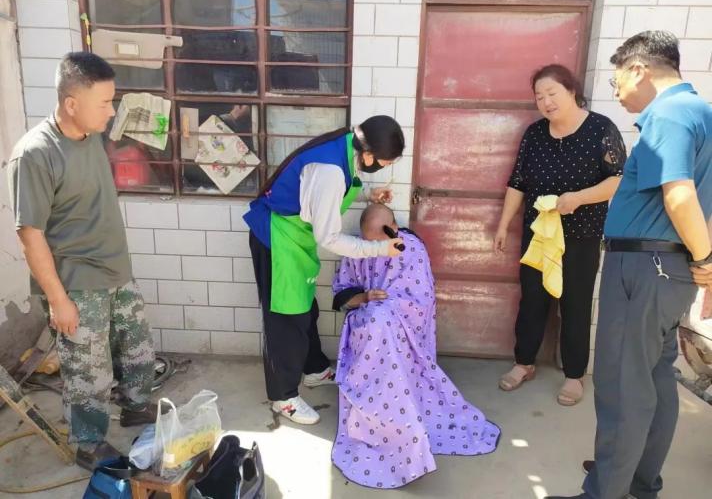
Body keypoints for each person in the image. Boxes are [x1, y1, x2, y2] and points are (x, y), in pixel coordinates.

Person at [546, 32, 712, 499]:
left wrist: (706, 258)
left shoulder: (669, 114)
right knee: (655, 378)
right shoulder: (702, 113)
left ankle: (606, 490)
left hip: (644, 266)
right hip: (668, 269)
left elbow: (679, 194)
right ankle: (636, 478)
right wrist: (702, 258)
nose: (617, 92)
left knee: (623, 385)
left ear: (639, 69)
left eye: (616, 80)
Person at [7, 52, 158, 470]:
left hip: (116, 270)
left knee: (136, 349)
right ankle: (89, 443)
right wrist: (58, 301)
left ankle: (136, 407)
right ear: (71, 103)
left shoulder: (91, 136)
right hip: (76, 282)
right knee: (88, 372)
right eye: (104, 103)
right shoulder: (35, 154)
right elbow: (30, 234)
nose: (111, 112)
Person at [243, 116, 405, 425]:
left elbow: (318, 197)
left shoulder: (346, 146)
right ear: (368, 155)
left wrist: (367, 195)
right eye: (385, 162)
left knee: (305, 308)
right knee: (286, 319)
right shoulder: (330, 170)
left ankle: (314, 369)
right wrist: (380, 248)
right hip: (277, 239)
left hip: (295, 239)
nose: (384, 166)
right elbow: (330, 238)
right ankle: (283, 397)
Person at [331, 204, 500, 488]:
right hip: (369, 323)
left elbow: (421, 300)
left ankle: (403, 426)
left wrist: (388, 310)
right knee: (377, 322)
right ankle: (377, 418)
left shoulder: (412, 249)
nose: (374, 249)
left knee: (383, 323)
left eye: (378, 242)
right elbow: (343, 294)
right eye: (368, 242)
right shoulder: (357, 248)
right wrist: (366, 298)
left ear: (393, 229)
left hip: (402, 327)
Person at [495, 64, 627, 405]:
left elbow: (618, 179)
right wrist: (504, 224)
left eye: (552, 93)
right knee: (532, 300)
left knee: (575, 305)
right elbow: (517, 182)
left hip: (581, 237)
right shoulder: (535, 134)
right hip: (539, 234)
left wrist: (579, 198)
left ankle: (574, 375)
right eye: (539, 97)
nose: (546, 102)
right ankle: (524, 363)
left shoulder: (601, 129)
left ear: (571, 91)